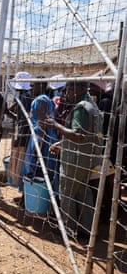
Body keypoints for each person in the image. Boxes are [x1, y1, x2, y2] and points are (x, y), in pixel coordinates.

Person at [42, 78, 103, 235]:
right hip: (86, 157)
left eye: (69, 90)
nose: (66, 93)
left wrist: (55, 125)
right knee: (83, 192)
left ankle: (68, 228)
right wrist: (61, 145)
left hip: (75, 160)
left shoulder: (81, 108)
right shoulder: (92, 106)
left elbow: (78, 135)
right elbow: (87, 135)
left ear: (80, 89)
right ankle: (86, 228)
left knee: (66, 193)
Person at [20, 78, 59, 207]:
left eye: (34, 85)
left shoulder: (40, 101)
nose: (32, 88)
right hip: (48, 137)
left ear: (41, 86)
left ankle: (35, 202)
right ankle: (46, 202)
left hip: (41, 138)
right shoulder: (48, 100)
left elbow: (42, 125)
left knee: (34, 168)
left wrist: (38, 148)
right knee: (48, 170)